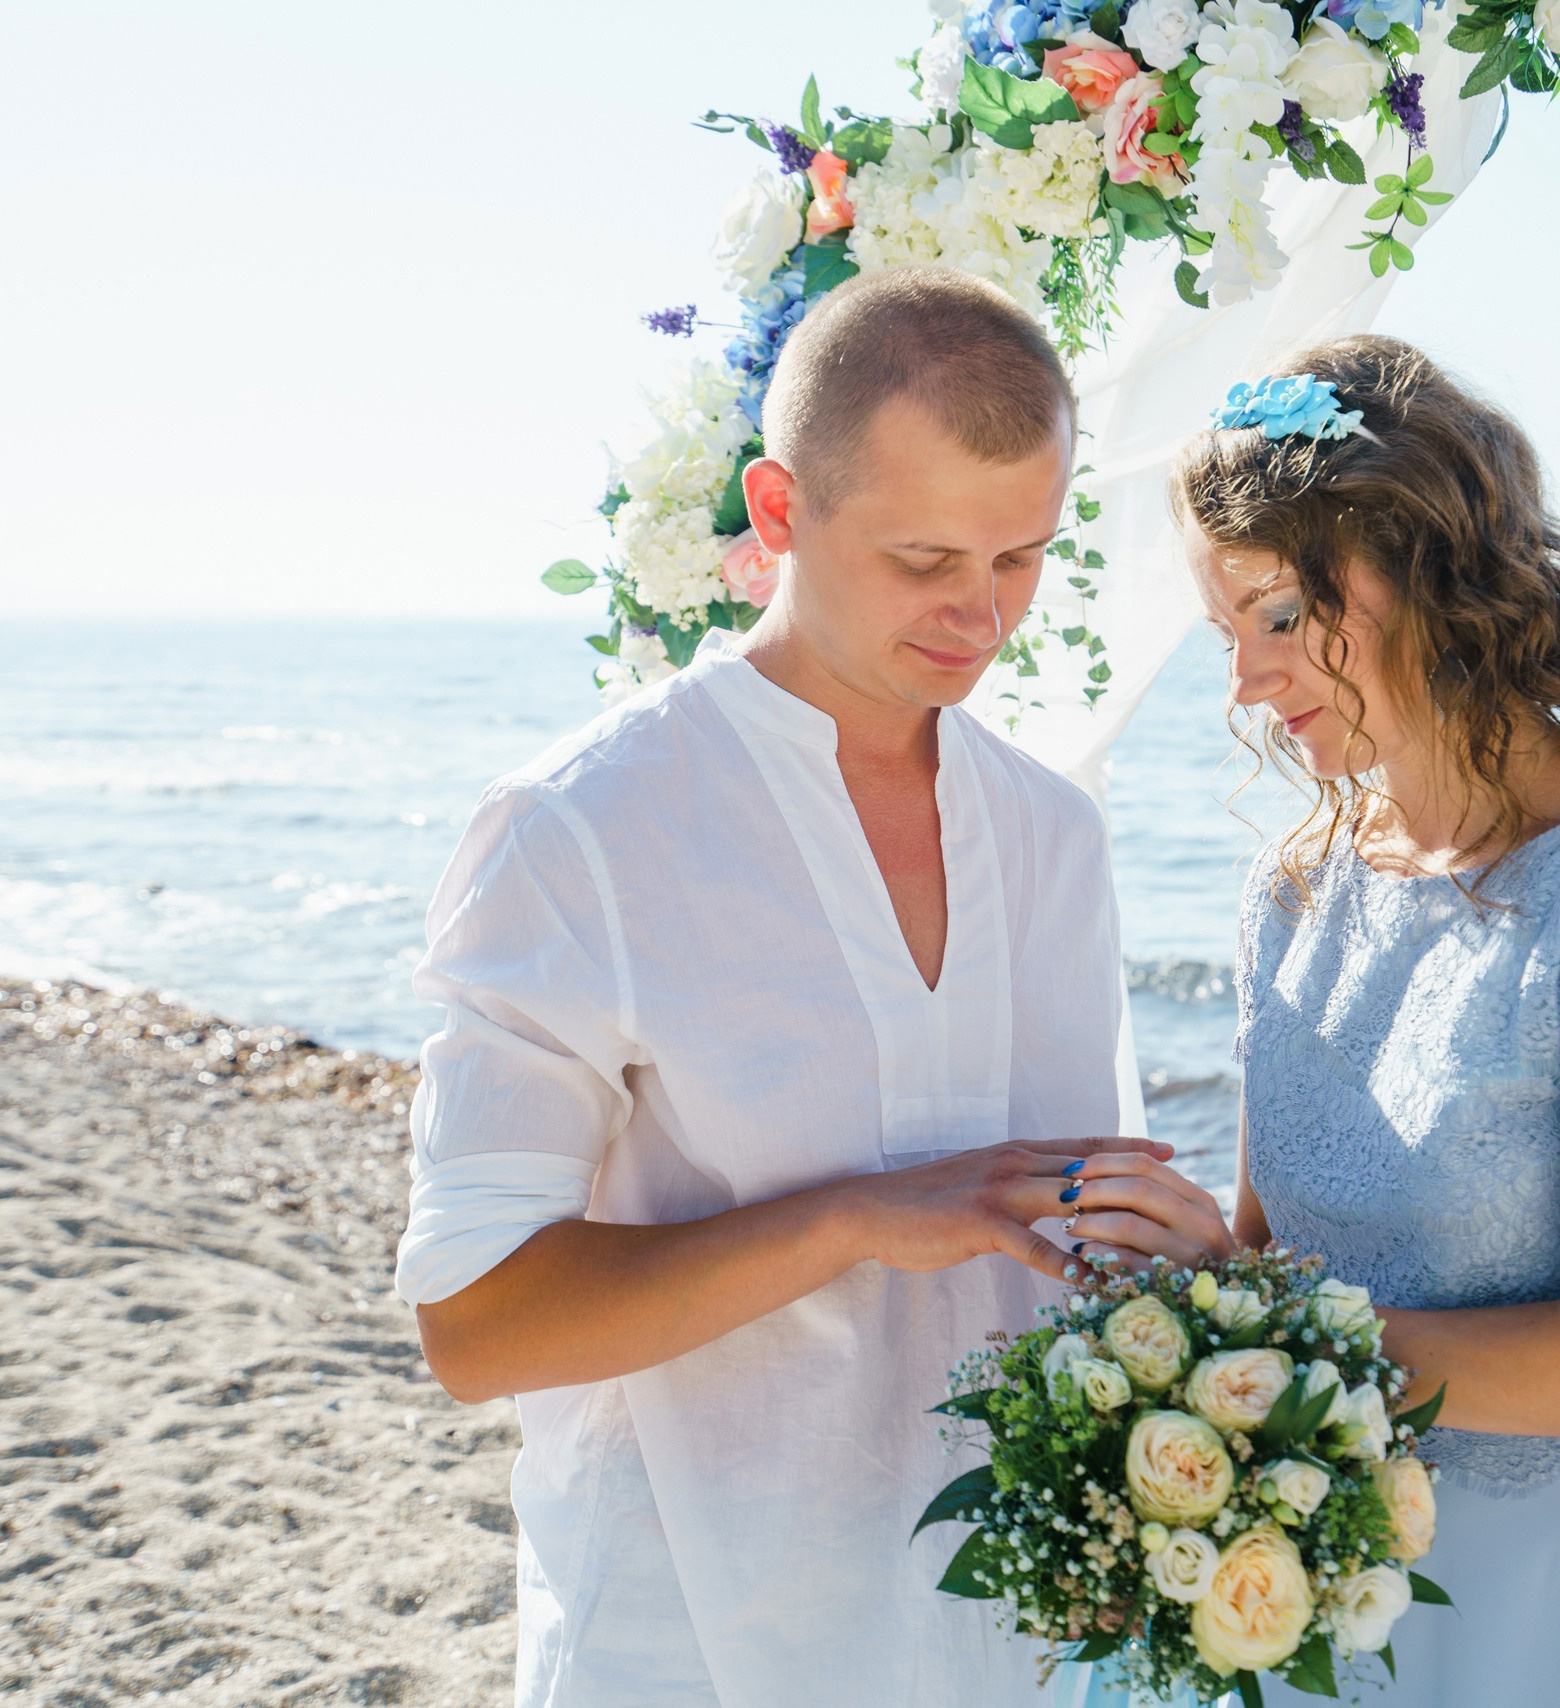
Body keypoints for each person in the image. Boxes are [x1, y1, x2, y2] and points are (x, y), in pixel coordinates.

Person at [392, 265, 1208, 1707]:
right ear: (779, 515)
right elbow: (476, 1326)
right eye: (923, 560)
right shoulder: (581, 829)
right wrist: (851, 1219)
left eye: (1020, 556)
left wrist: (1180, 1249)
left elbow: (1067, 1243)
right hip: (686, 1637)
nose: (984, 617)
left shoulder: (1054, 834)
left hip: (1011, 1639)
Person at [1063, 337, 1560, 1705]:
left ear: (1419, 569)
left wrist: (1261, 1331)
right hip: (1329, 1594)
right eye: (1224, 633)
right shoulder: (1292, 893)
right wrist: (1177, 1290)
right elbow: (1268, 1258)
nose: (1242, 679)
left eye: (1278, 616)